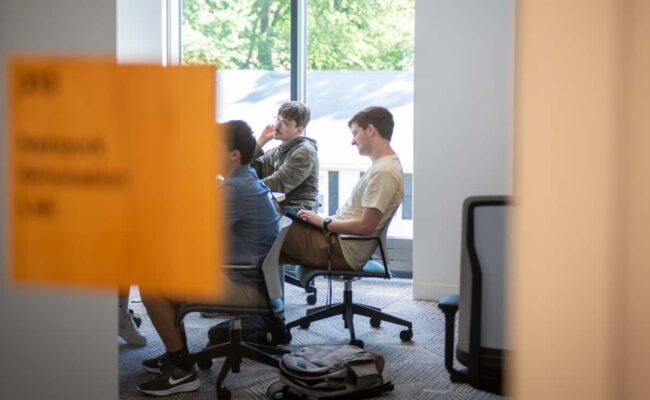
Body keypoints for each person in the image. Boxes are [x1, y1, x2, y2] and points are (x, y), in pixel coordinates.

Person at [135, 120, 280, 397]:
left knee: (151, 285)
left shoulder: (234, 190)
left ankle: (182, 370)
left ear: (233, 154)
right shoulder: (246, 181)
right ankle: (180, 355)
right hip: (253, 279)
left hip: (244, 285)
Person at [280, 106, 404, 271]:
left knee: (266, 225)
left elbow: (365, 226)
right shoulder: (382, 166)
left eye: (355, 133)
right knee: (273, 221)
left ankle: (258, 294)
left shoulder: (384, 172)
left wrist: (323, 222)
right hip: (335, 240)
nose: (353, 141)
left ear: (371, 130)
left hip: (339, 249)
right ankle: (266, 293)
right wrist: (319, 222)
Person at [253, 101, 319, 211]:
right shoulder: (276, 152)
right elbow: (247, 170)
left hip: (298, 215)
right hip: (278, 211)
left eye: (284, 123)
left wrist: (240, 187)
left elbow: (277, 183)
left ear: (299, 130)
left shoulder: (305, 151)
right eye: (277, 119)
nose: (276, 126)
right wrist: (261, 141)